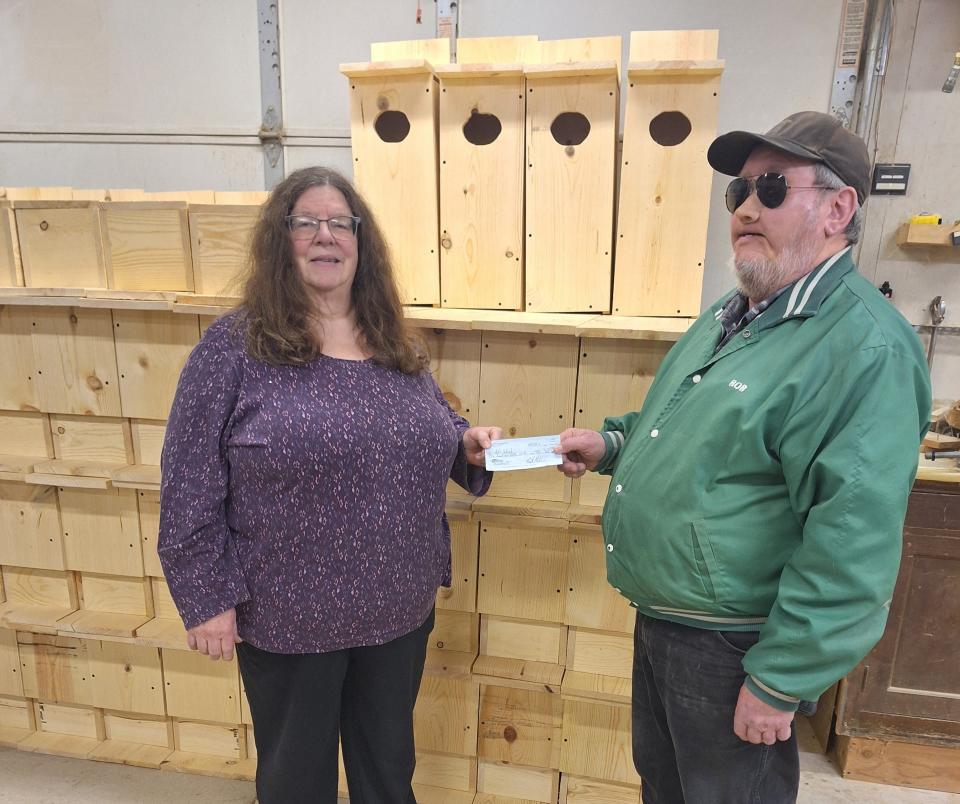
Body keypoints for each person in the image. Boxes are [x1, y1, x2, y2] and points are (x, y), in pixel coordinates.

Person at [557, 112, 931, 803]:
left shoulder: (862, 348)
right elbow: (691, 427)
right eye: (739, 193)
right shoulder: (740, 312)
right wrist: (612, 443)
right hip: (669, 621)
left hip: (736, 649)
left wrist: (780, 678)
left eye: (771, 189)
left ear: (838, 208)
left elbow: (851, 539)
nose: (746, 208)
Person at [158, 166, 500, 804]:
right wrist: (206, 596)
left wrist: (464, 443)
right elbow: (188, 480)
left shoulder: (393, 342)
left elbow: (428, 428)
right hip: (290, 614)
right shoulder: (233, 349)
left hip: (397, 608)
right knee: (296, 781)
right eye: (305, 223)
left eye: (340, 223)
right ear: (279, 240)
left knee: (388, 773)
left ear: (360, 241)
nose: (325, 235)